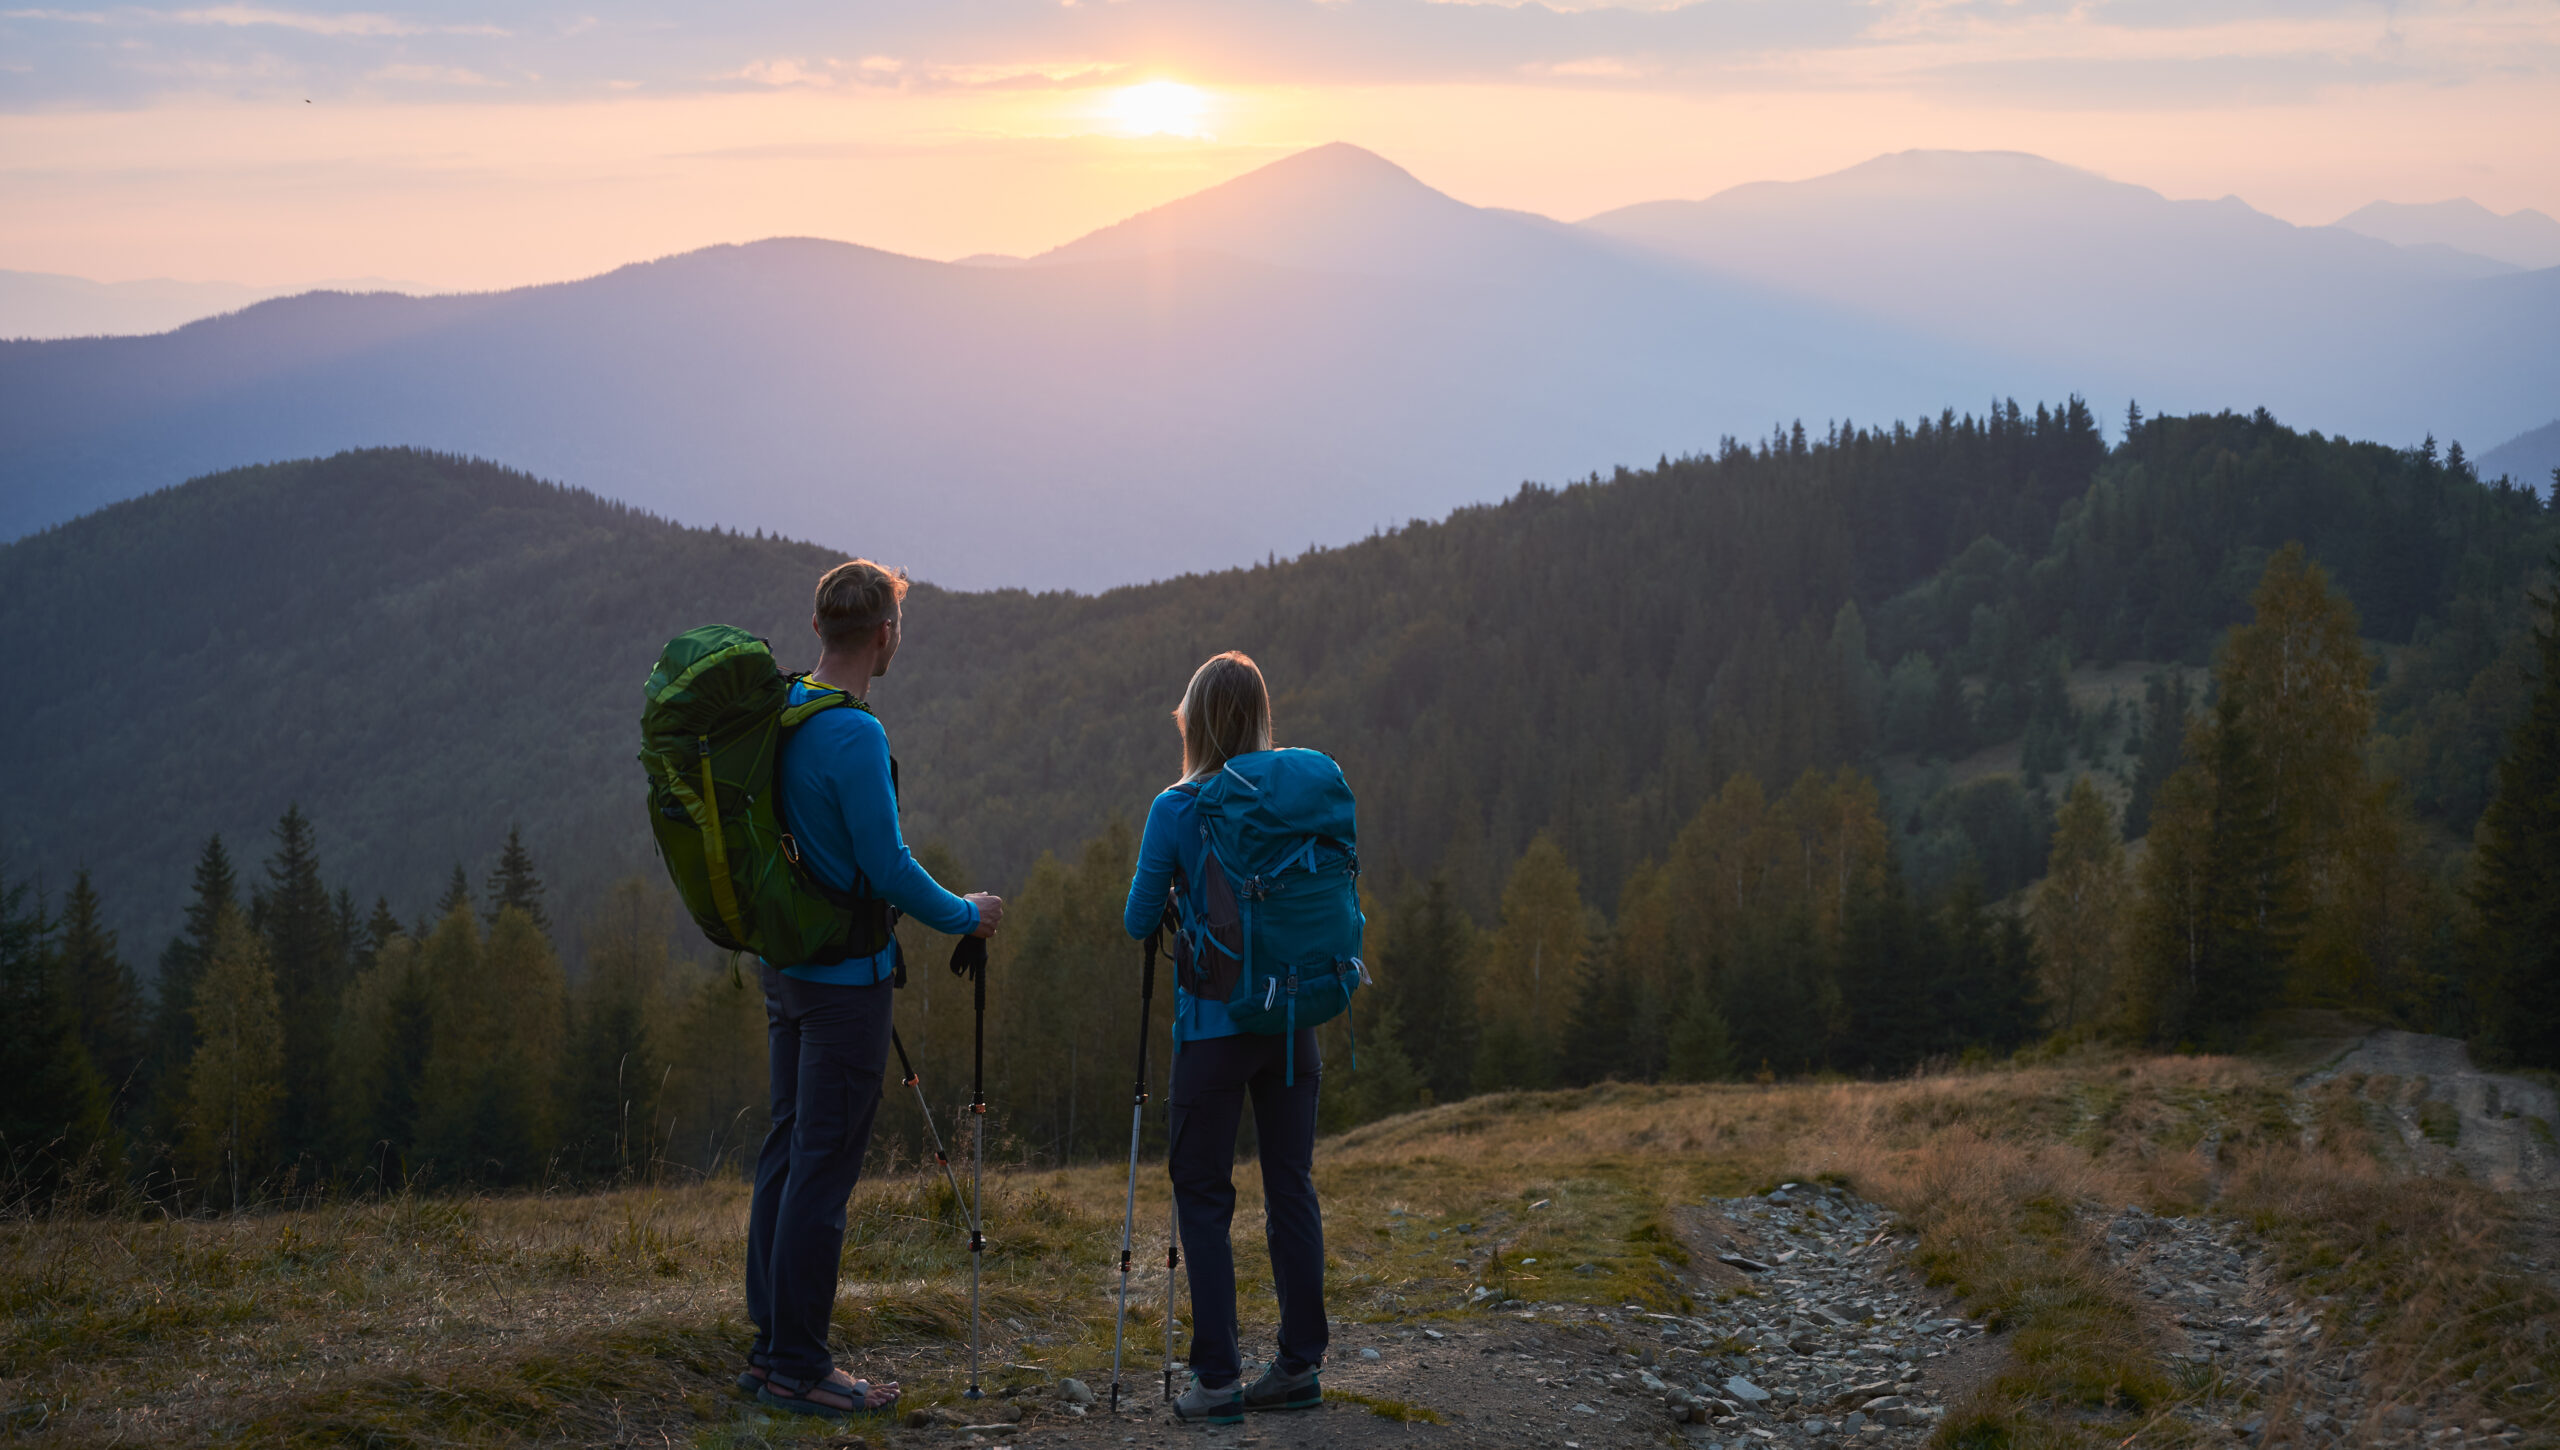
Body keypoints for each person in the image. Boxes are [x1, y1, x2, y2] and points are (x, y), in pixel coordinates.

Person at [744, 558, 1004, 1420]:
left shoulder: (784, 710)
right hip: (845, 986)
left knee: (786, 1153)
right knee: (823, 1172)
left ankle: (770, 1350)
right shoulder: (854, 735)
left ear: (819, 628)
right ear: (885, 635)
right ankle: (800, 1367)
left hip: (786, 969)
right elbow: (888, 868)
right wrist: (966, 913)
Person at [1123, 651, 1329, 1425]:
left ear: (1197, 721)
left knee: (1204, 1197)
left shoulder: (1177, 807)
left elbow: (1139, 922)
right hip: (1291, 1019)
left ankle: (1216, 1381)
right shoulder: (1295, 795)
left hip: (1212, 1028)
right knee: (1291, 1185)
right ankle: (1299, 1365)